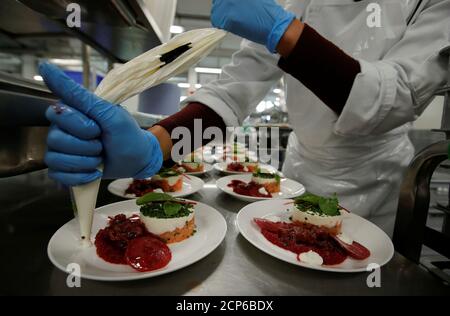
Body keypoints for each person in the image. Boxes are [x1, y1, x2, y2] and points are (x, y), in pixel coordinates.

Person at [40, 0, 450, 235]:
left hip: (376, 183)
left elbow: (390, 99)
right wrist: (157, 144)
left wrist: (286, 32)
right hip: (302, 174)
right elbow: (232, 96)